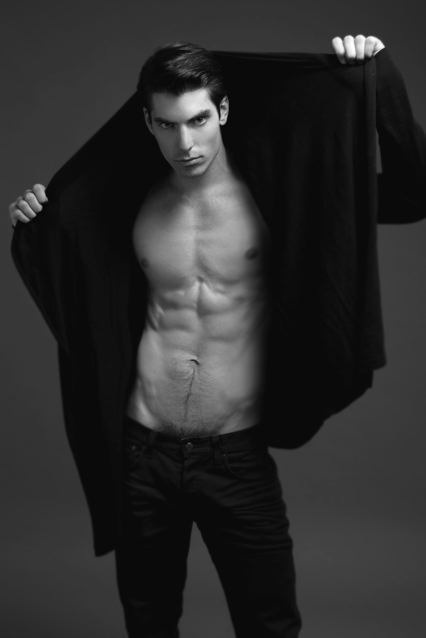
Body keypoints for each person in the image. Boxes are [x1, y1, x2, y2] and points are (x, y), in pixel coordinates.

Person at [9, 34, 422, 638]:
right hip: (142, 456)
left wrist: (380, 74)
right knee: (149, 625)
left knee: (270, 625)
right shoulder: (124, 202)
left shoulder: (280, 195)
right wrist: (35, 223)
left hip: (235, 457)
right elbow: (67, 273)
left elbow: (413, 193)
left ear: (222, 111)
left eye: (199, 120)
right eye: (168, 124)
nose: (186, 143)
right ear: (148, 123)